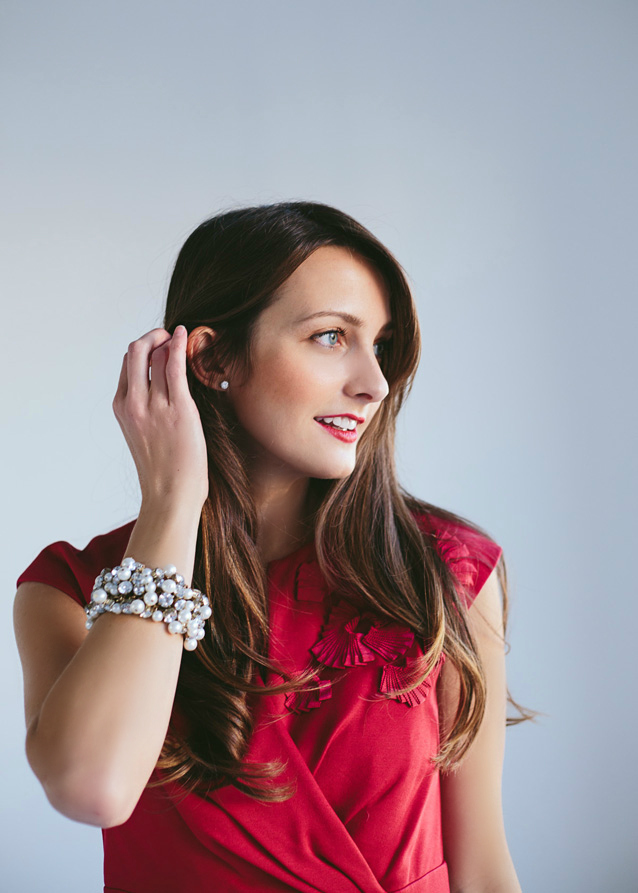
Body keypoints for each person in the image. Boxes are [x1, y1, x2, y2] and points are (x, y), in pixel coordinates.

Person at [14, 201, 530, 893]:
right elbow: (93, 787)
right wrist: (172, 503)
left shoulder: (449, 570)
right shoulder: (71, 587)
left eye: (378, 344)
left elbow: (483, 868)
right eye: (328, 336)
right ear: (213, 356)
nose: (373, 383)